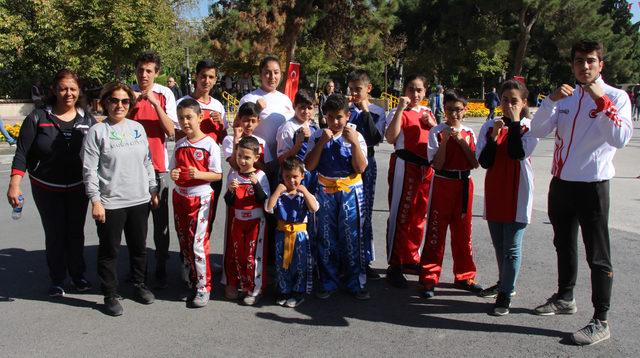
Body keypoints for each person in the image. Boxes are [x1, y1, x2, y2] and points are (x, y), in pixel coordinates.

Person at [529, 40, 633, 346]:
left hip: (593, 186)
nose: (584, 66)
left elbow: (620, 138)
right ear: (572, 65)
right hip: (562, 184)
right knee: (563, 244)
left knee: (598, 255)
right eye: (578, 61)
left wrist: (602, 102)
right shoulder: (567, 98)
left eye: (590, 61)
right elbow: (536, 130)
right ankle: (565, 297)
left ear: (601, 64)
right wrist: (549, 100)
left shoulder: (616, 96)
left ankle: (601, 319)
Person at [8, 69, 96, 297]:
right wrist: (14, 184)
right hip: (46, 187)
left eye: (73, 89)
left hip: (78, 187)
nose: (68, 93)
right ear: (54, 90)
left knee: (75, 232)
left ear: (79, 91)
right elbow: (22, 154)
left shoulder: (87, 119)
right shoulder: (38, 117)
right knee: (55, 232)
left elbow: (101, 153)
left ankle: (78, 275)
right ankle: (57, 279)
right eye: (63, 88)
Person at [82, 82, 159, 316]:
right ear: (106, 102)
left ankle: (138, 285)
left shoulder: (137, 128)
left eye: (125, 101)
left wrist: (153, 188)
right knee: (110, 252)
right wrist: (95, 200)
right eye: (114, 100)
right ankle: (110, 294)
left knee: (139, 248)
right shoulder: (98, 131)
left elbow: (147, 161)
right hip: (111, 202)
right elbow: (89, 169)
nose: (119, 105)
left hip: (139, 199)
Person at [476, 79, 539, 316]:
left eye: (514, 101)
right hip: (495, 189)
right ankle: (504, 283)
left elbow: (516, 153)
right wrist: (494, 134)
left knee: (512, 247)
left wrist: (512, 124)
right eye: (504, 100)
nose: (508, 105)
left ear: (524, 102)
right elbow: (484, 161)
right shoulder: (490, 126)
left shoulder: (529, 127)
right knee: (499, 244)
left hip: (518, 191)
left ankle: (506, 293)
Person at [304, 94, 370, 300]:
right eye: (330, 117)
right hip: (325, 190)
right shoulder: (318, 136)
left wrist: (354, 145)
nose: (334, 122)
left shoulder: (355, 136)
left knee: (353, 237)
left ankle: (355, 283)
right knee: (325, 236)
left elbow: (361, 167)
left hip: (351, 190)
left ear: (348, 116)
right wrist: (321, 143)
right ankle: (327, 282)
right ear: (324, 116)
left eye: (339, 117)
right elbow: (309, 166)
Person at [418, 90, 483, 298]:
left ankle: (465, 276)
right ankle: (429, 277)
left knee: (463, 233)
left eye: (458, 110)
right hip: (443, 183)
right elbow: (436, 164)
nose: (454, 114)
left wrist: (461, 141)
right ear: (444, 110)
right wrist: (446, 140)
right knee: (436, 231)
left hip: (464, 185)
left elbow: (474, 163)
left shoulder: (469, 132)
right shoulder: (436, 131)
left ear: (465, 110)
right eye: (449, 110)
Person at [129, 52, 179, 288]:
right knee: (135, 223)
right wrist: (134, 102)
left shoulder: (165, 93)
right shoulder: (127, 93)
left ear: (157, 73)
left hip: (158, 168)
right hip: (130, 170)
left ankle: (161, 262)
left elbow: (171, 130)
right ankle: (138, 266)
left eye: (149, 71)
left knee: (161, 222)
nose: (144, 74)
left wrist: (155, 103)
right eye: (141, 69)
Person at [384, 74, 437, 288]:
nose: (415, 94)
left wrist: (434, 124)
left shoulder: (428, 113)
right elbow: (390, 137)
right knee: (401, 215)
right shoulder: (399, 112)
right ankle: (395, 264)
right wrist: (399, 110)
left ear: (425, 93)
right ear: (405, 90)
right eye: (411, 89)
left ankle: (411, 258)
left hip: (426, 169)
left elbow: (438, 140)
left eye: (419, 90)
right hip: (405, 166)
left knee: (419, 216)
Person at [169, 98, 223, 308]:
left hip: (200, 198)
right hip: (180, 196)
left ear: (200, 117)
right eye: (181, 118)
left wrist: (200, 174)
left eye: (189, 117)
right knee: (184, 242)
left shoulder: (209, 143)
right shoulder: (180, 144)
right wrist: (174, 174)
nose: (185, 122)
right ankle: (192, 280)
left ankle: (204, 288)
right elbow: (174, 170)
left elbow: (217, 175)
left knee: (198, 244)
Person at [221, 136, 270, 306]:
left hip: (256, 222)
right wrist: (231, 191)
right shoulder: (234, 175)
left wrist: (256, 185)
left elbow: (264, 200)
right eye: (240, 156)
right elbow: (228, 202)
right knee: (239, 254)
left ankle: (255, 289)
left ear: (256, 158)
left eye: (247, 157)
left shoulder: (261, 175)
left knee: (252, 256)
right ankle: (242, 285)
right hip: (238, 221)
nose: (242, 160)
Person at [347, 69, 386, 280]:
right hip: (347, 164)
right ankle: (347, 257)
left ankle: (364, 259)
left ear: (368, 89)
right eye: (351, 89)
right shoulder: (347, 110)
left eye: (358, 89)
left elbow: (374, 138)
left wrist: (365, 112)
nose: (354, 93)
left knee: (364, 213)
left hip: (367, 163)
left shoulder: (377, 112)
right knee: (347, 212)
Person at [177, 59, 226, 225]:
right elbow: (177, 137)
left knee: (207, 219)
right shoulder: (183, 103)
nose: (207, 81)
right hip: (189, 167)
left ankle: (201, 251)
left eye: (211, 77)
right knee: (186, 219)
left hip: (210, 169)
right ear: (196, 77)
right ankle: (187, 252)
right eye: (203, 76)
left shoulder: (218, 105)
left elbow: (223, 139)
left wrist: (220, 125)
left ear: (215, 79)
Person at [265, 157, 319, 308]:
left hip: (300, 235)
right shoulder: (280, 194)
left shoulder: (303, 194)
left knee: (300, 264)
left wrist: (305, 191)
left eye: (295, 177)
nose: (291, 180)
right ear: (282, 176)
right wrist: (277, 191)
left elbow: (314, 208)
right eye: (287, 176)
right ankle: (284, 290)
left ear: (302, 176)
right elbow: (269, 208)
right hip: (282, 233)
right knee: (282, 263)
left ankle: (298, 292)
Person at [239, 55, 295, 173]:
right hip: (259, 163)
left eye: (276, 72)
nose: (272, 77)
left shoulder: (285, 100)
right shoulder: (249, 99)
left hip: (285, 162)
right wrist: (257, 109)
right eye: (267, 73)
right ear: (260, 74)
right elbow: (238, 129)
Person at [222, 102, 270, 170]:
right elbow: (234, 165)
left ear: (258, 122)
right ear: (239, 120)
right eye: (246, 120)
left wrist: (252, 157)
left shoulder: (262, 142)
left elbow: (266, 169)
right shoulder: (230, 139)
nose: (249, 125)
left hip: (257, 179)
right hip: (237, 180)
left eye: (253, 121)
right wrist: (236, 140)